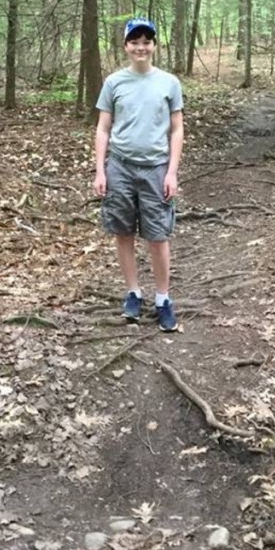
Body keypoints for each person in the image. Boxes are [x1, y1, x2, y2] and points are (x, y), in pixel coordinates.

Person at [93, 17, 184, 331]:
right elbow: (103, 128)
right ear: (126, 46)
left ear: (154, 45)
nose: (141, 47)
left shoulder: (169, 83)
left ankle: (162, 299)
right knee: (123, 232)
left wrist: (171, 172)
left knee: (158, 236)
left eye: (146, 41)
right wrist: (100, 170)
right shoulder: (114, 83)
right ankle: (133, 292)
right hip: (119, 167)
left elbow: (177, 130)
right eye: (135, 41)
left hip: (156, 168)